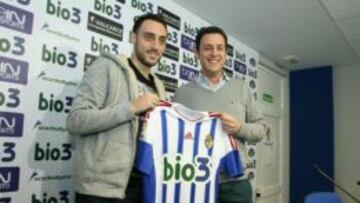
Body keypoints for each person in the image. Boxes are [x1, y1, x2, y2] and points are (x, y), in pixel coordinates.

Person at [67, 13, 168, 203]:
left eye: (161, 40)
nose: (156, 46)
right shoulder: (106, 67)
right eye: (149, 37)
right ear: (133, 37)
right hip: (100, 191)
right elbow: (76, 120)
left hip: (142, 188)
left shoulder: (159, 86)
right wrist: (131, 108)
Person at [173, 26, 268, 203]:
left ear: (225, 52)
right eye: (207, 48)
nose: (214, 53)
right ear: (197, 52)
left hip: (236, 186)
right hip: (194, 182)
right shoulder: (182, 94)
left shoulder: (242, 88)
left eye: (219, 47)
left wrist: (240, 128)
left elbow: (261, 130)